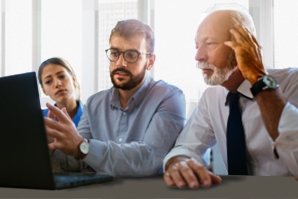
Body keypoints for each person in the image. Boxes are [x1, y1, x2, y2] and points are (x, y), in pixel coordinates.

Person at [163, 3, 298, 189]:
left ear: (245, 46)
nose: (198, 56)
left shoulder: (293, 82)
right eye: (197, 45)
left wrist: (258, 78)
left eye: (209, 44)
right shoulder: (211, 98)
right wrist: (180, 163)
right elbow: (185, 147)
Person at [44, 19, 186, 177]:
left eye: (131, 55)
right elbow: (78, 157)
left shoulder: (169, 97)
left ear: (150, 62)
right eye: (114, 53)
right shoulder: (94, 103)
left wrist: (83, 147)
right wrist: (51, 147)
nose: (120, 63)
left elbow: (149, 159)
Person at [38, 57, 83, 127]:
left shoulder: (91, 114)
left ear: (73, 79)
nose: (57, 84)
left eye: (62, 76)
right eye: (48, 81)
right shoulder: (40, 120)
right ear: (44, 90)